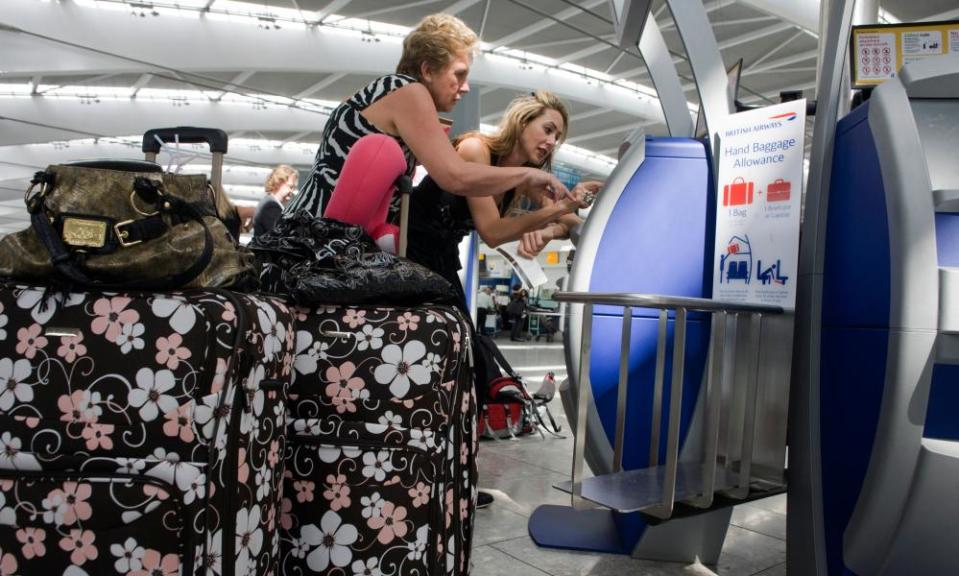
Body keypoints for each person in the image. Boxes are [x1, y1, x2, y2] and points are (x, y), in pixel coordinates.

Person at [283, 13, 575, 226]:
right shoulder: (409, 92)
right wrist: (528, 174)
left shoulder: (379, 94)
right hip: (318, 241)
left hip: (306, 230)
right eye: (459, 74)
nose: (466, 86)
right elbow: (456, 176)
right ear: (427, 69)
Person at [254, 164, 298, 237]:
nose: (292, 191)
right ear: (279, 183)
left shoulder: (270, 202)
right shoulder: (270, 206)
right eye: (291, 186)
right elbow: (279, 235)